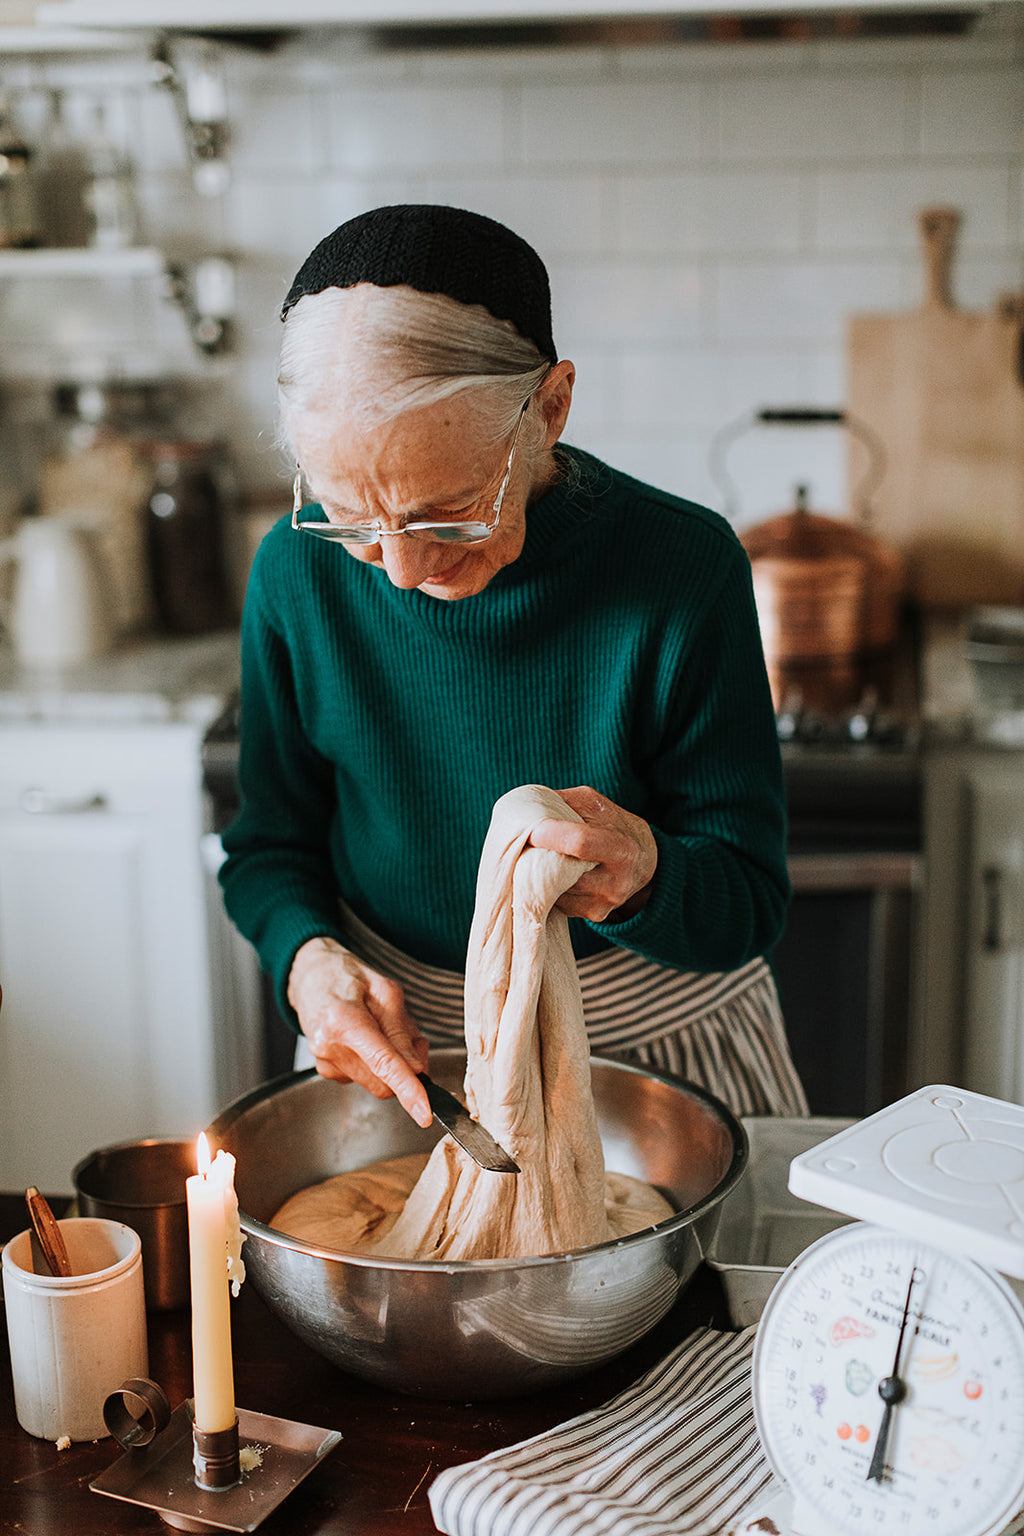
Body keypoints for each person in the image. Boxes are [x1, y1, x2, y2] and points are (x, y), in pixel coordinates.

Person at [219, 203, 808, 1130]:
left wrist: (649, 874)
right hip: (409, 1056)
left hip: (653, 1050)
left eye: (448, 512)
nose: (405, 572)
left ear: (552, 406)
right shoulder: (296, 571)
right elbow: (268, 847)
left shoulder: (681, 569)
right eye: (355, 521)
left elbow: (747, 901)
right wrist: (307, 959)